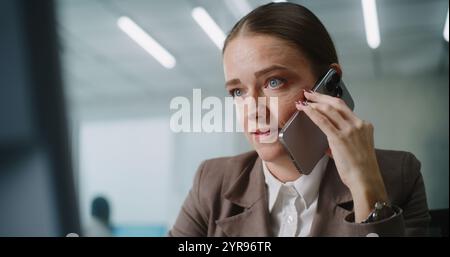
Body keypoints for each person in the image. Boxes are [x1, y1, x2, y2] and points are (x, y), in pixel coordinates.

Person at [169, 2, 430, 237]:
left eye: (274, 82)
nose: (253, 110)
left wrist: (367, 186)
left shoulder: (399, 176)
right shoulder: (212, 181)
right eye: (238, 91)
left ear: (329, 84)